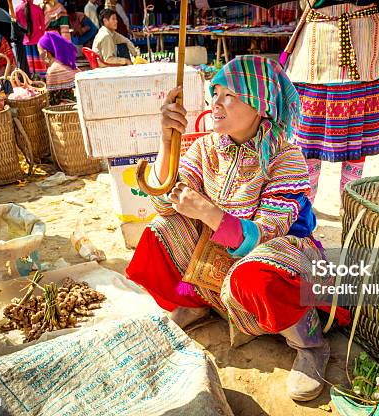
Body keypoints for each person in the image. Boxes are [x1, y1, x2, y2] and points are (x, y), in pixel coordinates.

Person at [126, 56, 331, 402]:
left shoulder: (286, 157)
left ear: (259, 104)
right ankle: (197, 302)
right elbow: (163, 202)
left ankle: (309, 341)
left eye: (228, 96)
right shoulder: (206, 147)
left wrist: (207, 211)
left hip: (280, 255)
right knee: (160, 231)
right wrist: (167, 139)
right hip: (222, 253)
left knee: (253, 276)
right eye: (214, 92)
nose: (214, 103)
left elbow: (263, 235)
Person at [283, 0, 379, 209]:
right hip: (363, 44)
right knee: (354, 141)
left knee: (309, 142)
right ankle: (346, 207)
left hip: (319, 46)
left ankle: (305, 210)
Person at [38, 32, 78, 105]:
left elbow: (52, 101)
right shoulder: (66, 62)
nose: (40, 57)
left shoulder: (53, 70)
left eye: (40, 54)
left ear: (46, 53)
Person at [16, 0, 47, 77]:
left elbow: (18, 26)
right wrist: (42, 36)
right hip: (38, 40)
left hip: (26, 41)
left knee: (30, 65)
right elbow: (43, 26)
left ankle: (33, 80)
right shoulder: (37, 9)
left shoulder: (17, 9)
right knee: (40, 63)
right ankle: (42, 80)